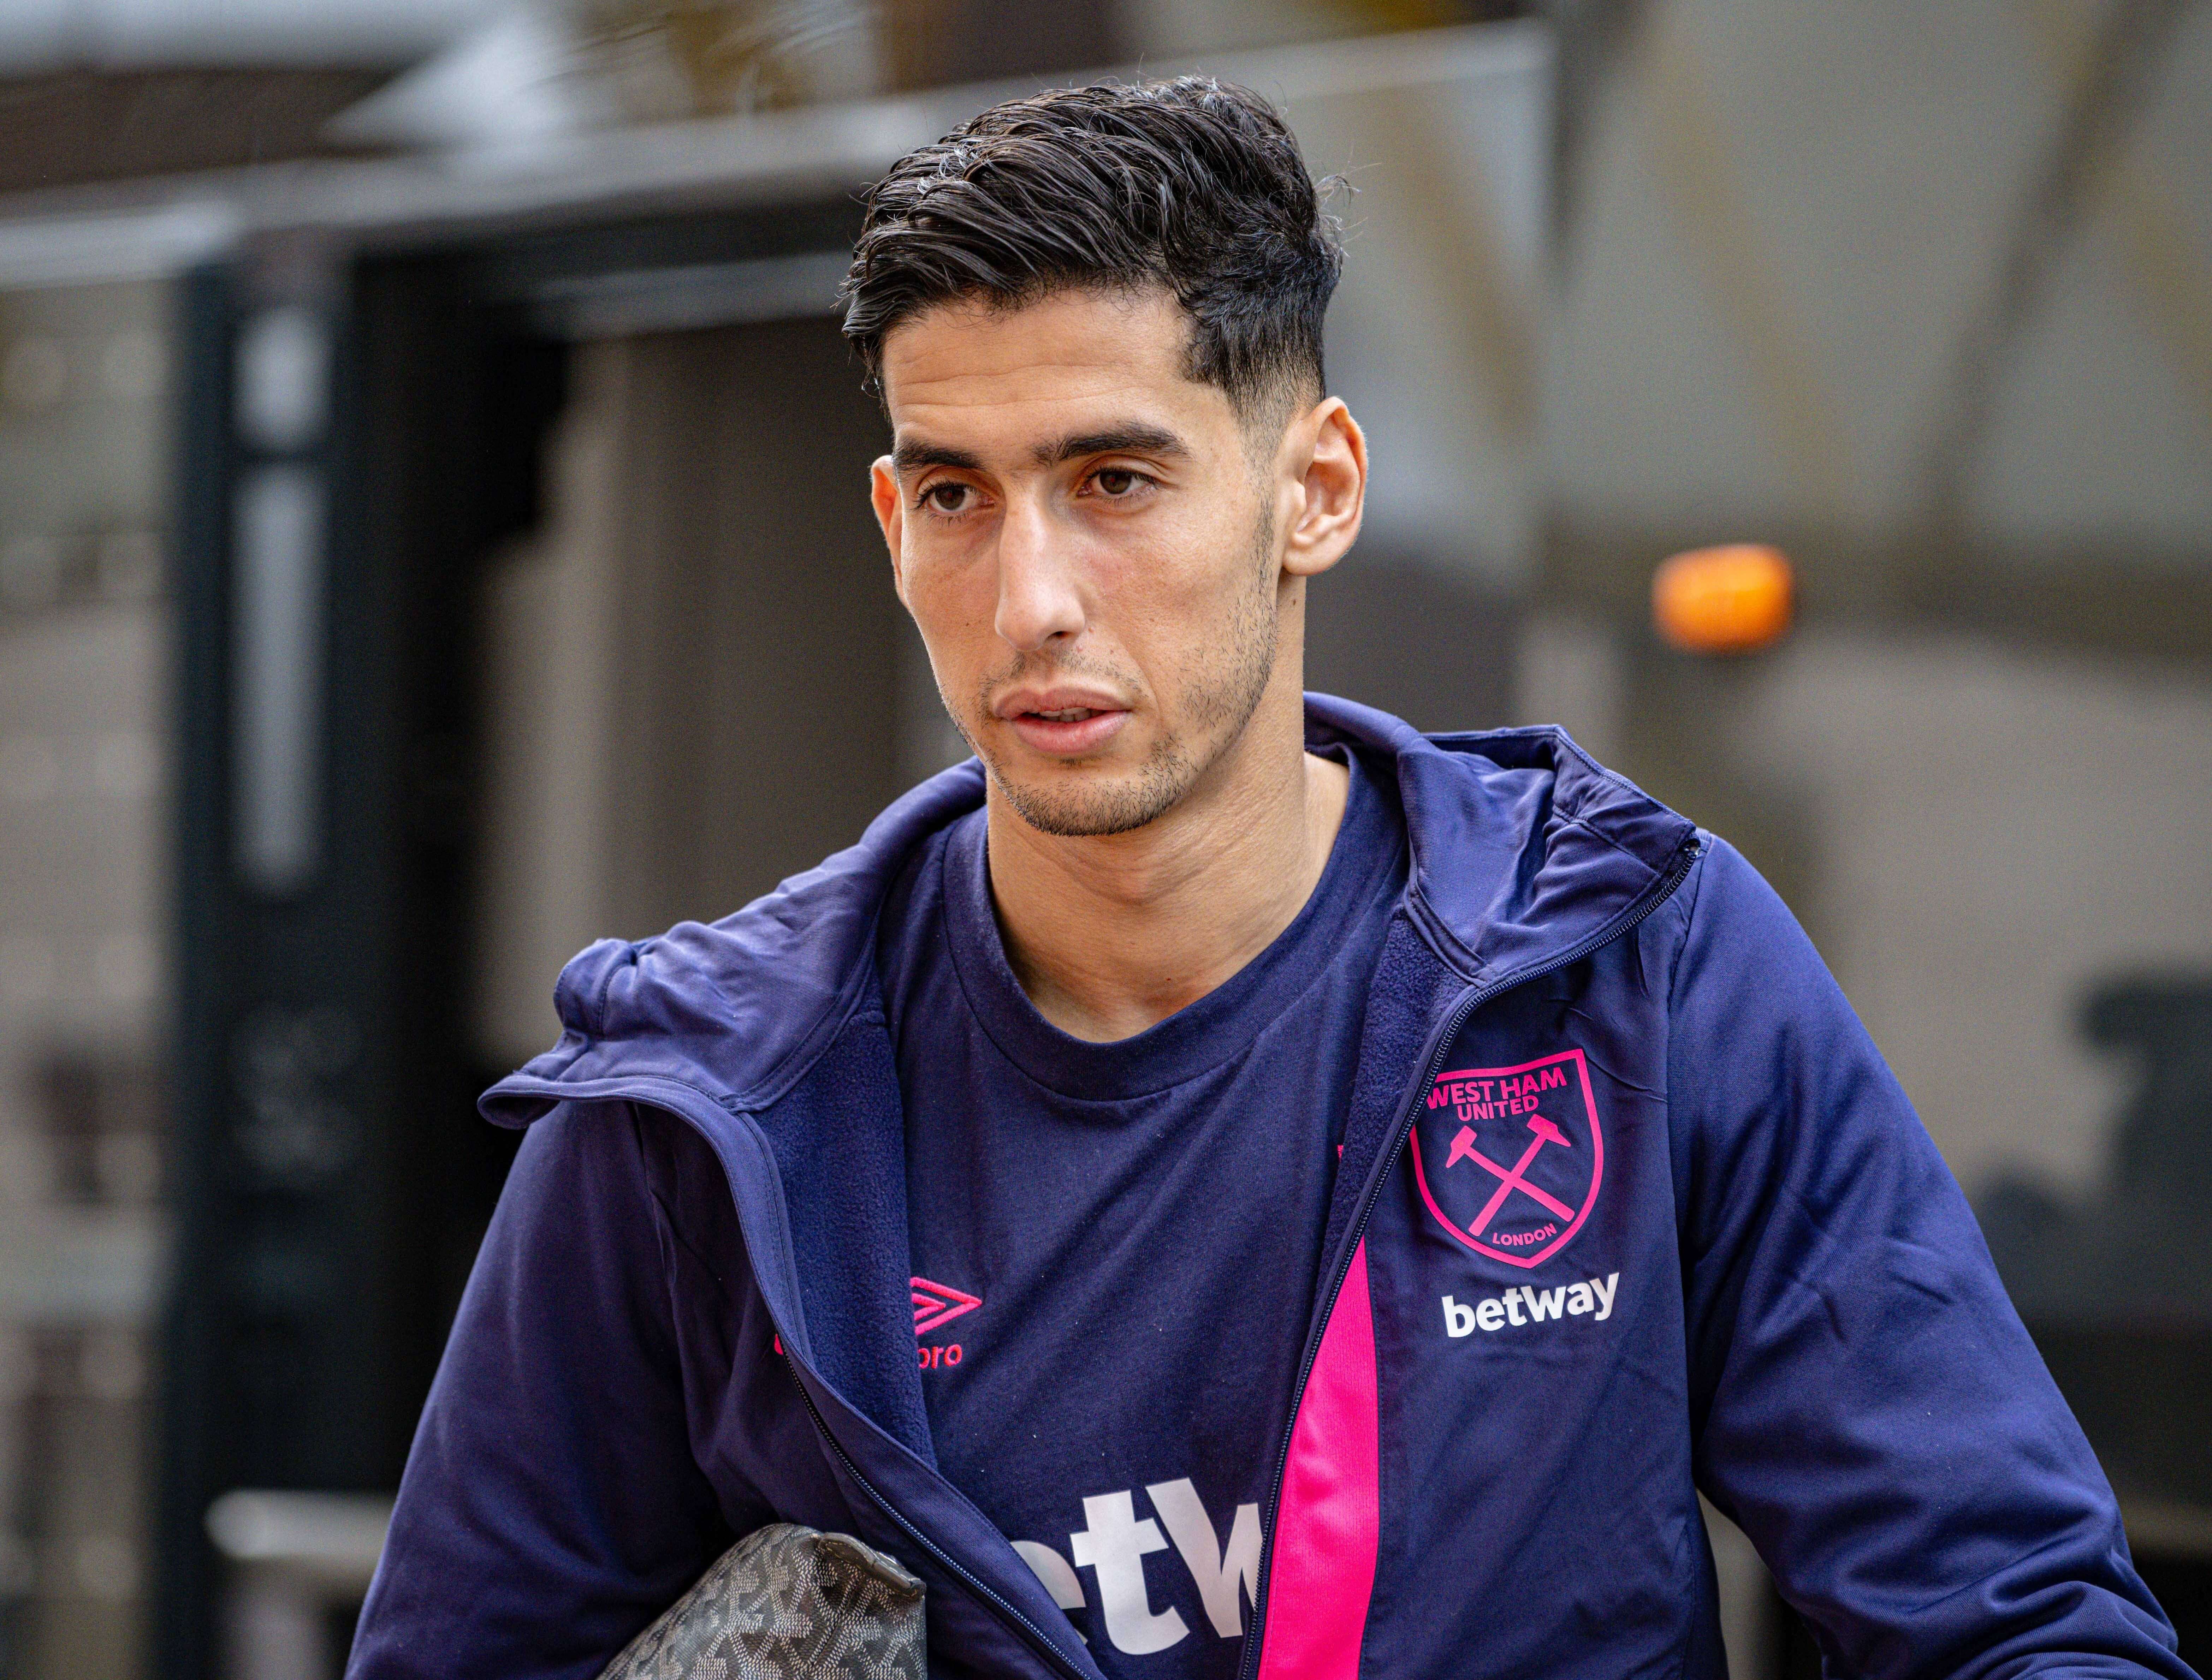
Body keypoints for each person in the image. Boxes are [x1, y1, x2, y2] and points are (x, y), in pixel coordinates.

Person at [348, 77, 2189, 1680]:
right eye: (959, 495)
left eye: (1116, 479)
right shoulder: (703, 1111)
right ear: (892, 524)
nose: (1032, 598)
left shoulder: (1630, 968)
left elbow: (2012, 1612)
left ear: (1313, 490)